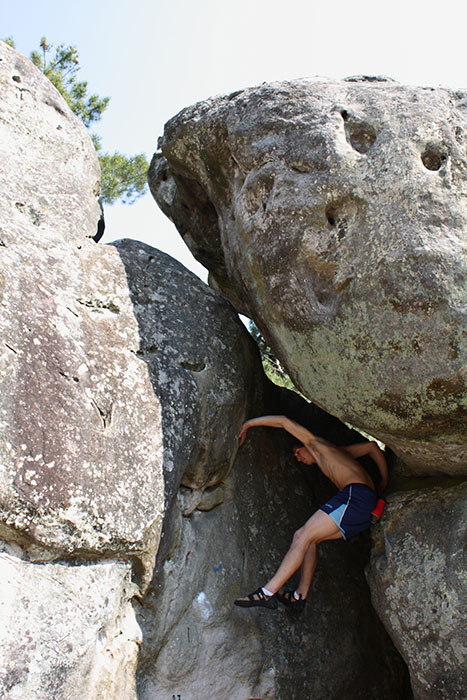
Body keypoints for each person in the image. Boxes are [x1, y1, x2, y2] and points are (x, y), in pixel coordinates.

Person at [234, 415, 388, 611]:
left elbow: (284, 421)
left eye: (298, 452)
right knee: (310, 541)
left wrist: (248, 424)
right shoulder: (337, 453)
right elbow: (371, 448)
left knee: (301, 535)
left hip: (355, 497)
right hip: (362, 508)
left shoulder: (317, 445)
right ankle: (299, 597)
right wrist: (383, 484)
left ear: (306, 445)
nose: (298, 457)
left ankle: (266, 593)